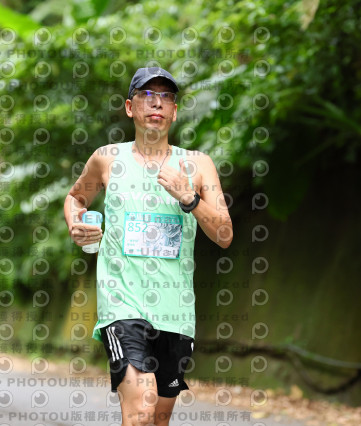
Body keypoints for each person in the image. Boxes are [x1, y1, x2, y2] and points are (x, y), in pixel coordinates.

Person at [64, 67, 233, 425]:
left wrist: (189, 198)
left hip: (176, 311)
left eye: (166, 97)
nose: (157, 103)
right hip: (121, 303)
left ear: (174, 111)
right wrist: (76, 224)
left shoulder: (198, 165)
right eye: (147, 95)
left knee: (157, 418)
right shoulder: (107, 158)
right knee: (141, 409)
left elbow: (224, 234)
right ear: (130, 107)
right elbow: (75, 198)